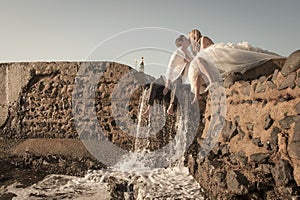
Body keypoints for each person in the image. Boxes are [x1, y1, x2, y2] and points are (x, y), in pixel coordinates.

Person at [188, 29, 284, 104]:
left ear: (194, 35)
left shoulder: (203, 38)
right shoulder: (196, 47)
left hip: (213, 56)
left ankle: (210, 82)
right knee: (196, 72)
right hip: (207, 61)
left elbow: (208, 49)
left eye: (190, 38)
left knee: (197, 64)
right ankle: (197, 95)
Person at [163, 35, 193, 115]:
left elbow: (192, 60)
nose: (188, 40)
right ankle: (171, 106)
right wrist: (167, 83)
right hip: (173, 77)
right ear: (182, 42)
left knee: (179, 82)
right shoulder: (178, 52)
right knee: (177, 83)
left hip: (181, 77)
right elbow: (170, 67)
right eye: (186, 39)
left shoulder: (188, 53)